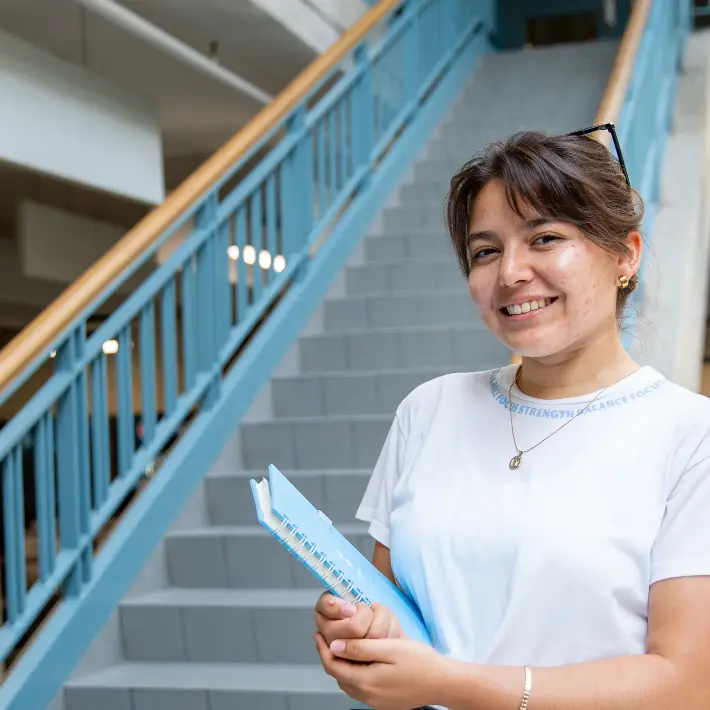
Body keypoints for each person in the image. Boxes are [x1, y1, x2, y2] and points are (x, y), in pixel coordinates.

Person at [312, 129, 710, 710]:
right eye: (485, 251)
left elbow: (686, 685)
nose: (511, 273)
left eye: (545, 238)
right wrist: (360, 633)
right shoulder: (429, 410)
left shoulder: (690, 434)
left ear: (626, 255)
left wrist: (446, 683)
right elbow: (396, 614)